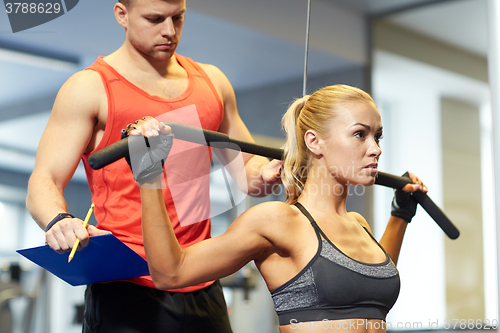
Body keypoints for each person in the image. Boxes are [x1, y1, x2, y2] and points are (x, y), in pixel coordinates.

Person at [26, 0, 281, 332]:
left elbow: (248, 173)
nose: (169, 31)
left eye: (178, 18)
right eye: (155, 19)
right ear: (122, 15)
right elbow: (43, 180)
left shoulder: (213, 82)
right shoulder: (90, 88)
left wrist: (265, 174)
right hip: (126, 284)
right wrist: (57, 219)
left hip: (201, 277)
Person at [130, 84, 428, 332]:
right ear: (314, 142)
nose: (375, 148)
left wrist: (400, 215)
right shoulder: (278, 221)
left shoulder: (358, 224)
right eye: (360, 134)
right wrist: (150, 175)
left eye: (378, 136)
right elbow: (171, 273)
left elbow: (371, 289)